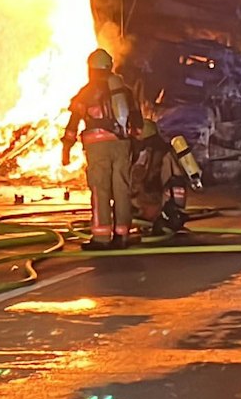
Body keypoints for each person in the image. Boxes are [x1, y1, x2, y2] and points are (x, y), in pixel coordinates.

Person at [61, 48, 141, 249]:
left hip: (97, 148)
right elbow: (137, 123)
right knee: (122, 189)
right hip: (122, 145)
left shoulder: (86, 92)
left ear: (91, 69)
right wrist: (134, 146)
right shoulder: (125, 91)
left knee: (100, 189)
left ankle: (101, 238)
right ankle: (122, 235)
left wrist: (66, 149)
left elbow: (73, 122)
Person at [131, 117, 201, 237]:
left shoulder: (151, 153)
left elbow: (146, 182)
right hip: (173, 207)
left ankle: (153, 218)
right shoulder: (166, 150)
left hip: (162, 207)